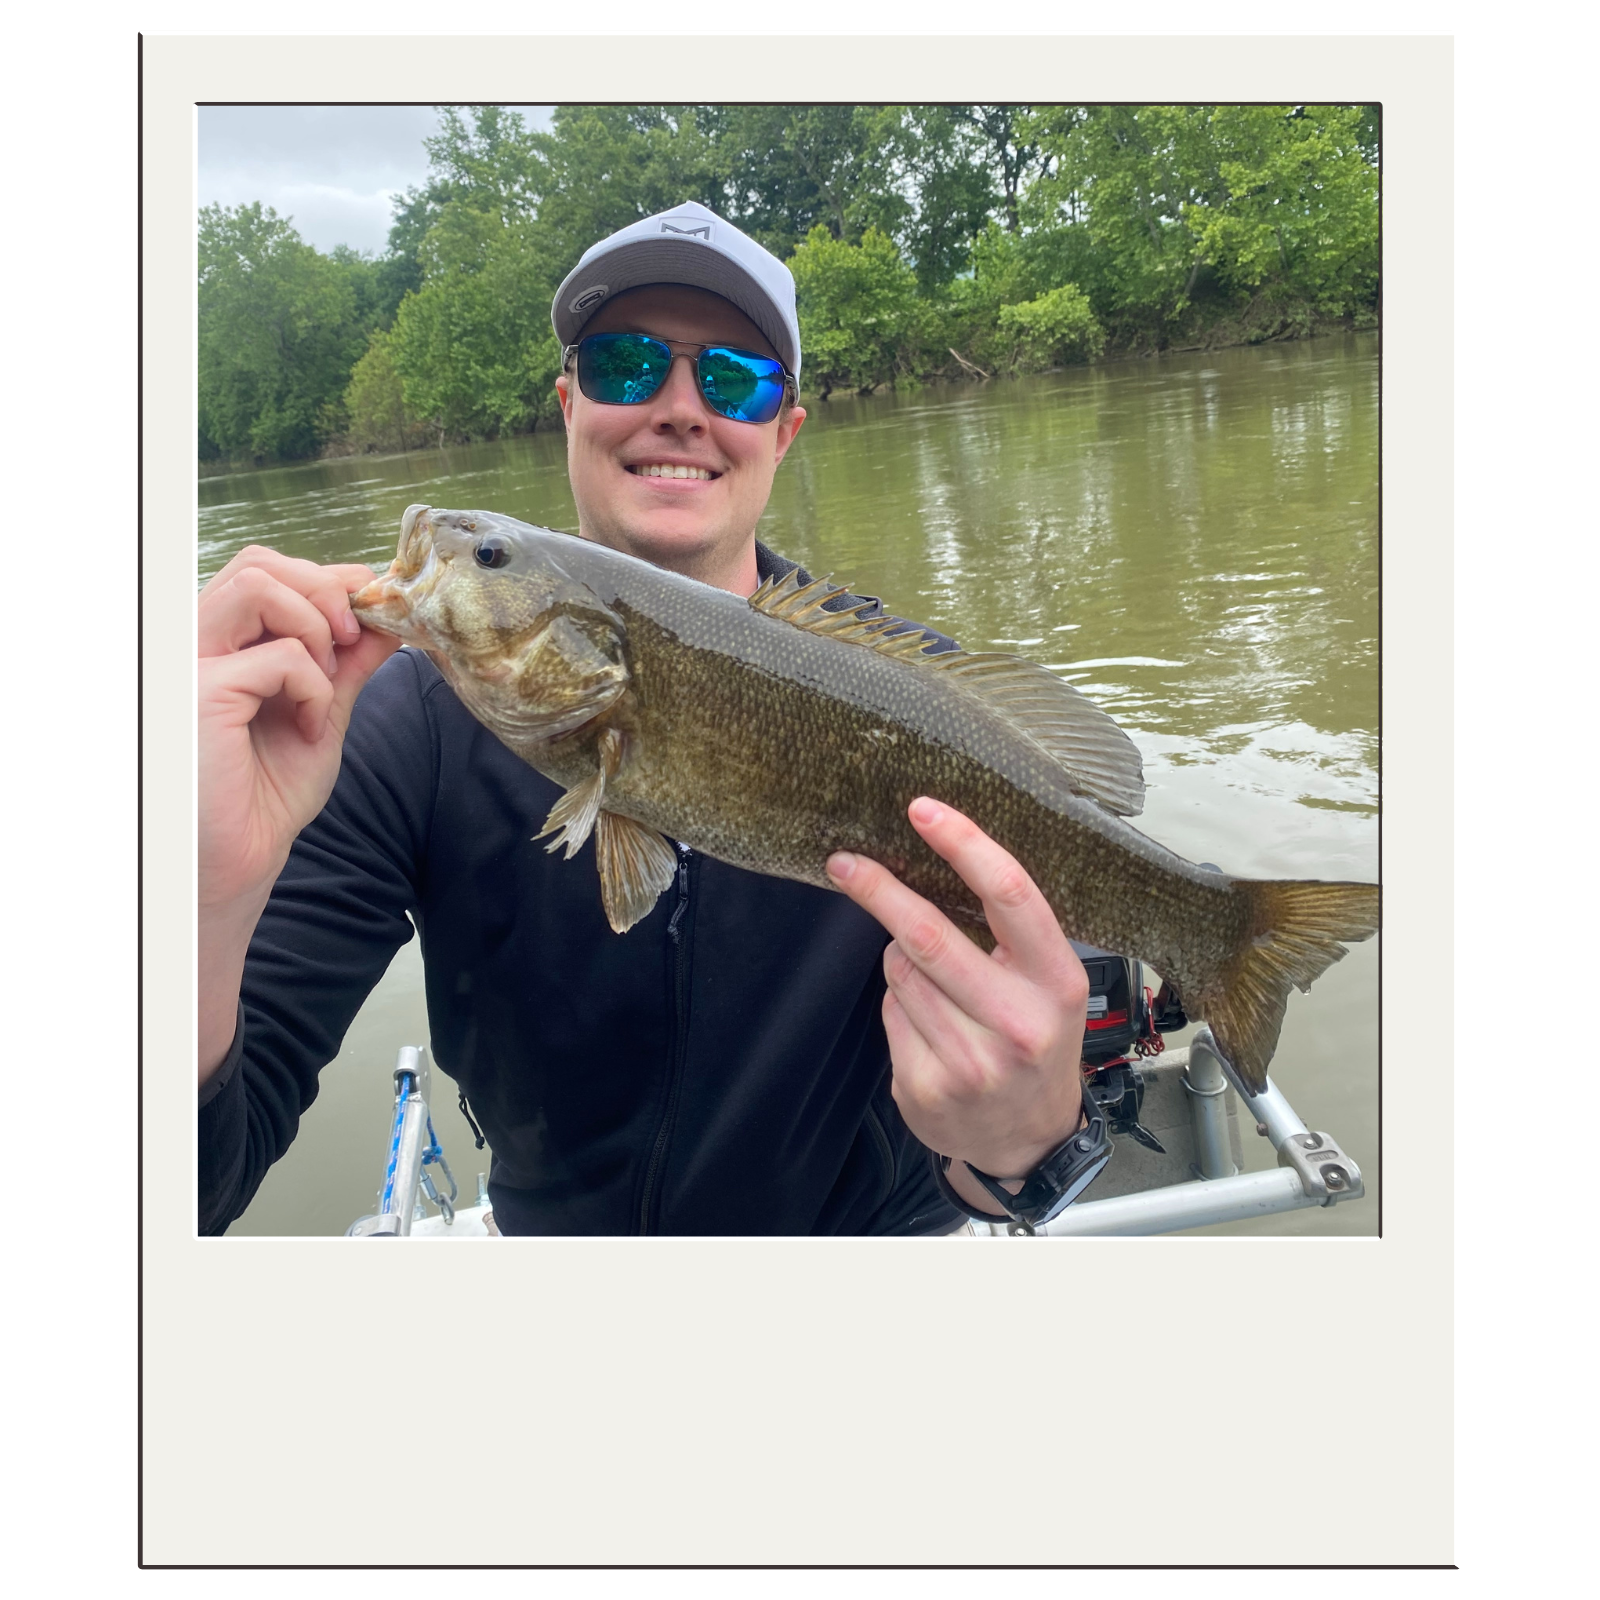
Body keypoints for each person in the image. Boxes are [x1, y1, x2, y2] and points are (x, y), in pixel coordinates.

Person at [198, 200, 1097, 1236]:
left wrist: (1026, 1142)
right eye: (628, 364)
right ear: (568, 399)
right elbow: (203, 1189)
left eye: (737, 378)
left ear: (784, 429)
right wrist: (202, 894)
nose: (680, 407)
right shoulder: (384, 729)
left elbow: (1017, 1161)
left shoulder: (932, 709)